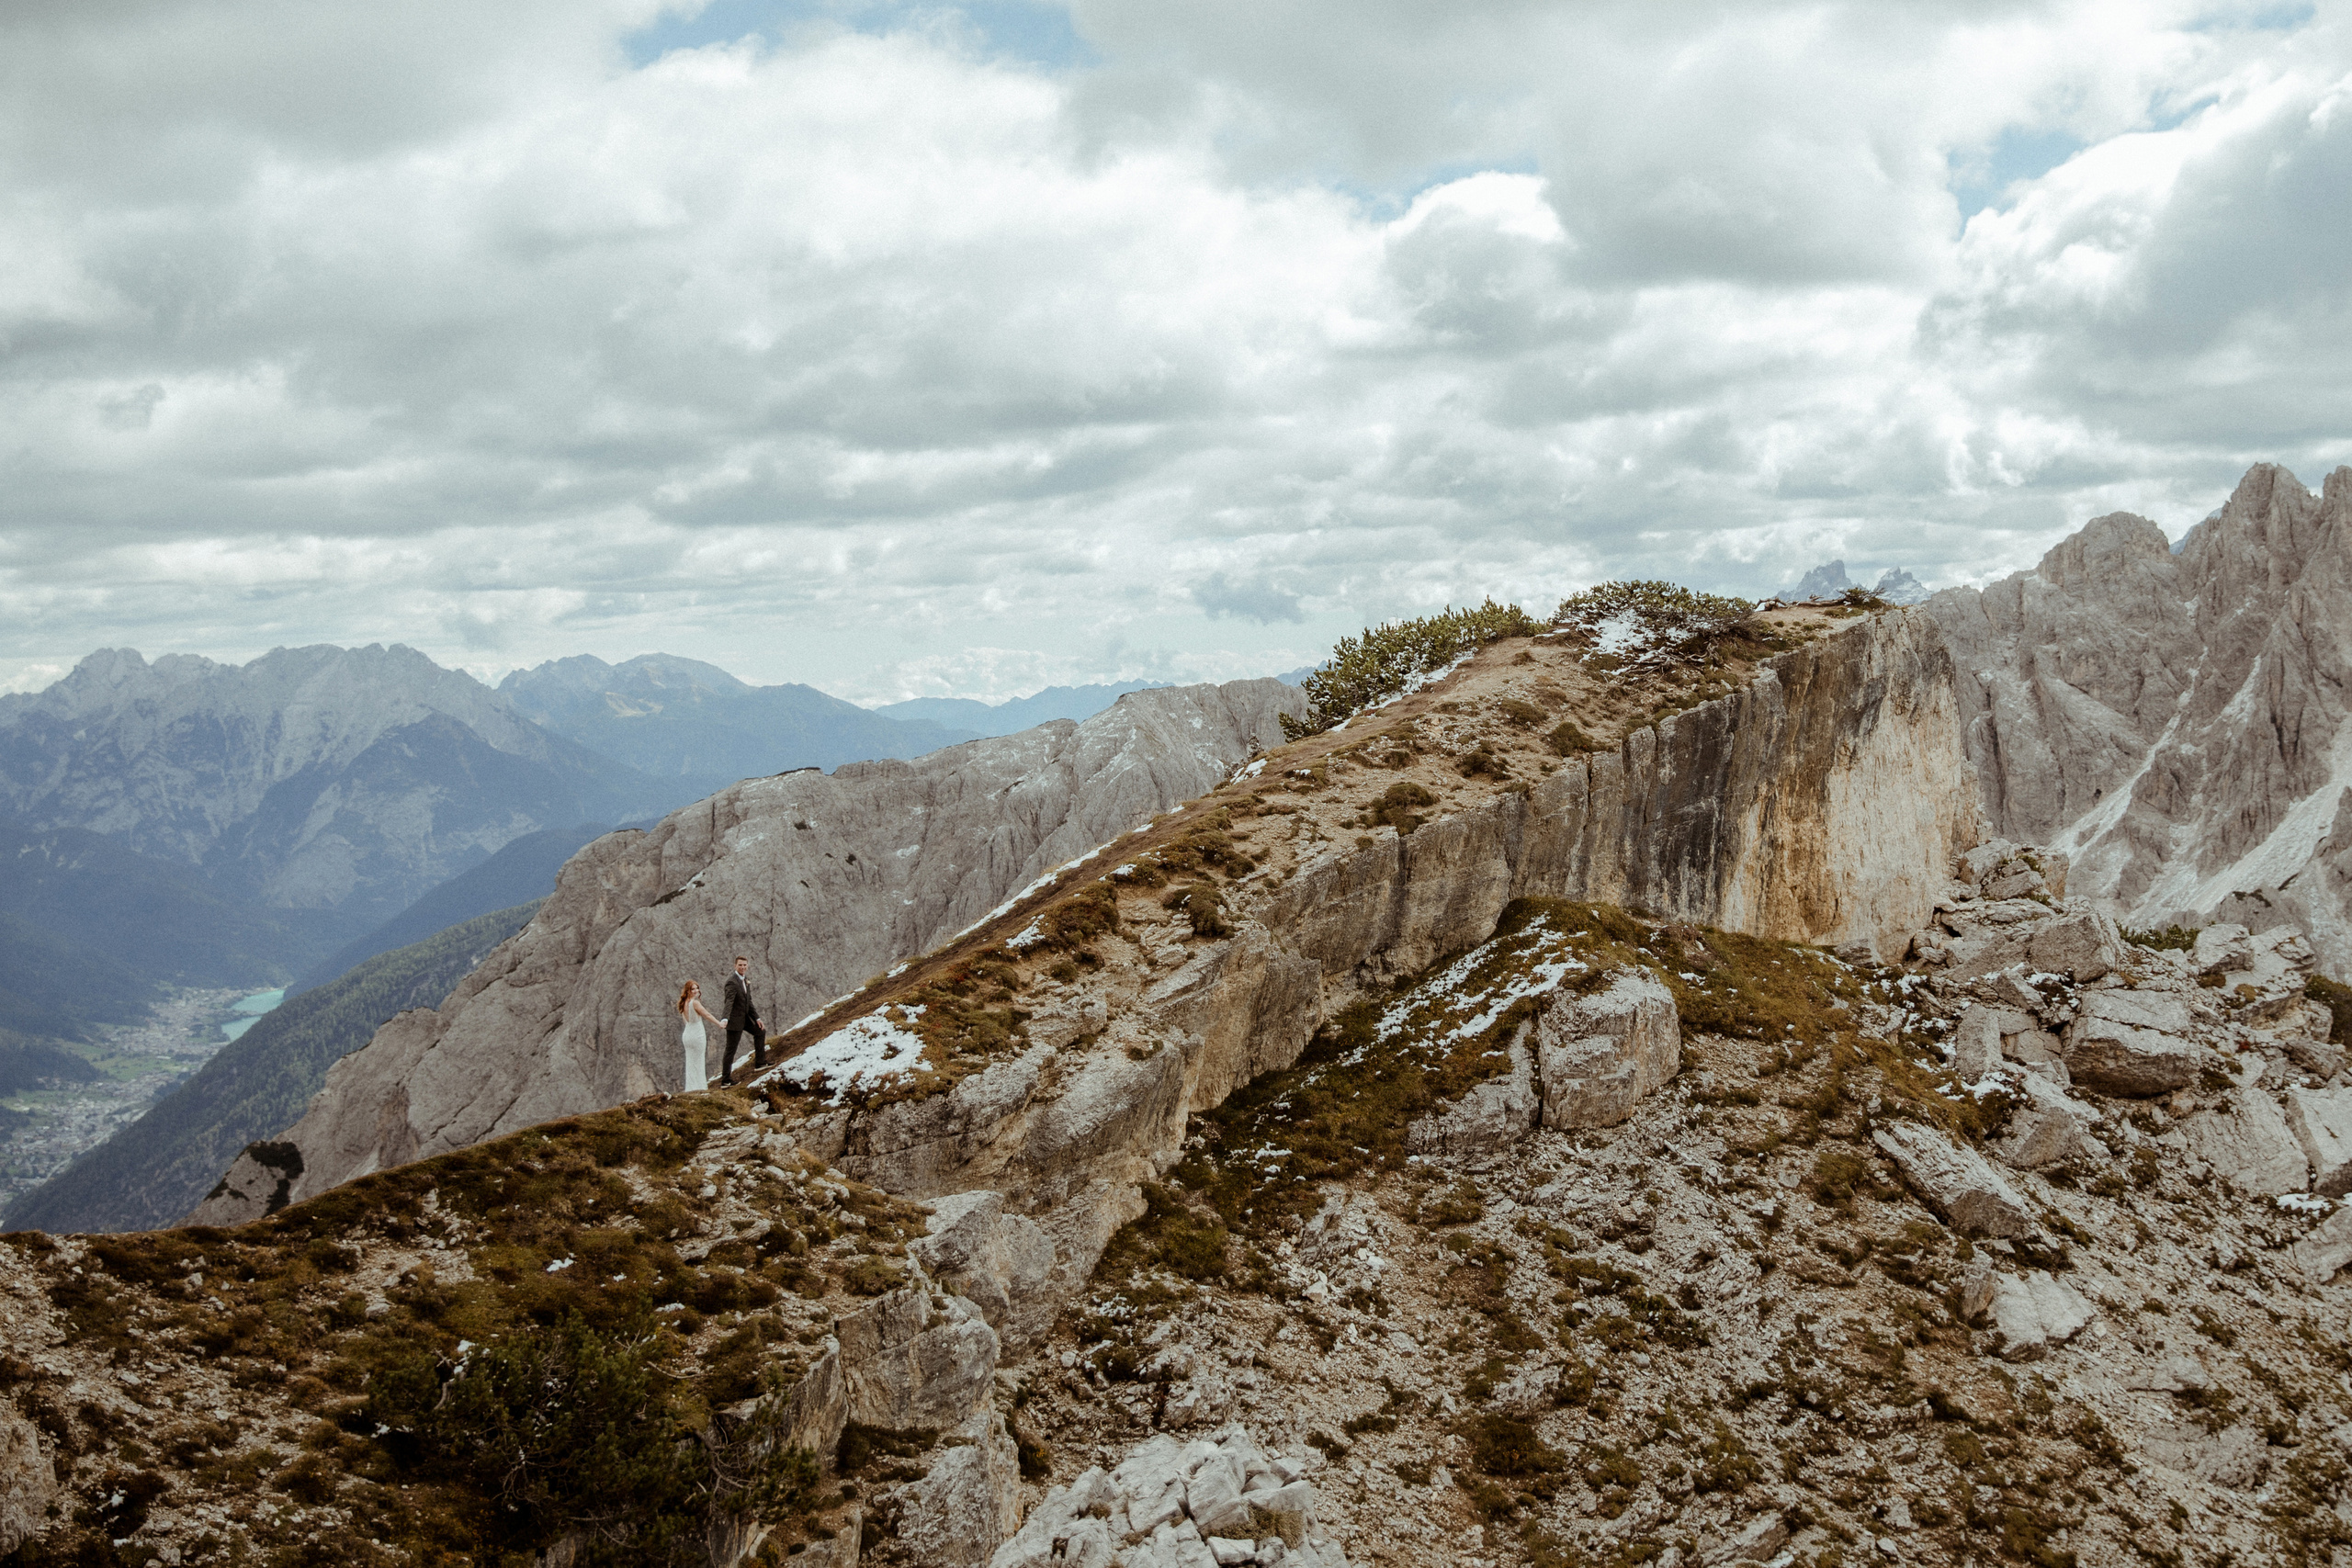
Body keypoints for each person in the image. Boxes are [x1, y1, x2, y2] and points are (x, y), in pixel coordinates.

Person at [721, 955, 767, 1086]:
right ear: (735, 966)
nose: (742, 967)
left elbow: (749, 1002)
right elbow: (728, 1002)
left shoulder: (745, 980)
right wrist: (725, 1018)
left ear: (747, 966)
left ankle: (760, 1062)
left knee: (760, 1032)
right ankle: (725, 1080)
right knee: (731, 1050)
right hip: (734, 1021)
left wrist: (757, 1018)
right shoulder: (732, 982)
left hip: (745, 1018)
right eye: (740, 965)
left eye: (744, 965)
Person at [677, 980, 721, 1092]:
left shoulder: (683, 1003)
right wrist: (719, 1023)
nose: (696, 990)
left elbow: (686, 1021)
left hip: (687, 1034)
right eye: (693, 989)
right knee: (699, 1062)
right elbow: (706, 1014)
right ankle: (700, 1088)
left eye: (697, 988)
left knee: (690, 1063)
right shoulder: (694, 1003)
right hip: (697, 1034)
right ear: (688, 991)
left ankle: (691, 1089)